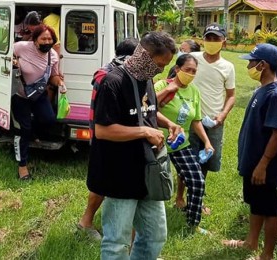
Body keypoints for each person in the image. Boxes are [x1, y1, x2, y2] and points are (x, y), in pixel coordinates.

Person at [87, 31, 181, 259]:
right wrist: (145, 131)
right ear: (145, 56)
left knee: (154, 236)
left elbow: (146, 112)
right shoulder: (113, 82)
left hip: (147, 174)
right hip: (119, 175)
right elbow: (103, 130)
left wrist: (168, 124)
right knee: (117, 242)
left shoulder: (146, 80)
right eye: (159, 64)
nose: (161, 70)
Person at [222, 43, 277, 260]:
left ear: (263, 65)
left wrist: (263, 164)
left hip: (264, 166)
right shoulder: (262, 89)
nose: (249, 65)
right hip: (253, 162)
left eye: (251, 61)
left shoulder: (276, 94)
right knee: (256, 203)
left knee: (270, 209)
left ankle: (266, 255)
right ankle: (250, 242)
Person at [77, 38, 139, 241]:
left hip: (109, 135)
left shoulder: (107, 72)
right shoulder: (111, 78)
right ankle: (89, 223)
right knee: (103, 183)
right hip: (108, 136)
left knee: (103, 182)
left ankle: (90, 222)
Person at [154, 54, 214, 234]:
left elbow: (196, 120)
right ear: (178, 69)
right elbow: (149, 108)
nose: (191, 74)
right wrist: (168, 89)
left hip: (180, 144)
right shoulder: (162, 85)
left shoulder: (194, 91)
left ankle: (193, 223)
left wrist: (207, 142)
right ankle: (150, 223)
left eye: (194, 71)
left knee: (197, 181)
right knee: (154, 185)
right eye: (188, 70)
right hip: (158, 142)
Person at [187, 23, 236, 214]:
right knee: (187, 159)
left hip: (214, 122)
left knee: (205, 162)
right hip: (191, 119)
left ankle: (197, 199)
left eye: (216, 38)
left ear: (223, 42)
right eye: (208, 38)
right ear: (203, 40)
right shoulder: (193, 59)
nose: (212, 42)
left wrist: (222, 115)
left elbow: (231, 95)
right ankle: (181, 198)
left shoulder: (228, 67)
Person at [12, 24, 66, 180]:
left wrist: (60, 84)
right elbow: (5, 55)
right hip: (21, 95)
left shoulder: (53, 56)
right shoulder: (21, 47)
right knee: (24, 129)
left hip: (39, 95)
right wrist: (13, 64)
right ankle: (22, 166)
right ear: (35, 40)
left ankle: (32, 133)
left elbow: (53, 77)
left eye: (50, 39)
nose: (47, 42)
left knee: (49, 120)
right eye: (43, 39)